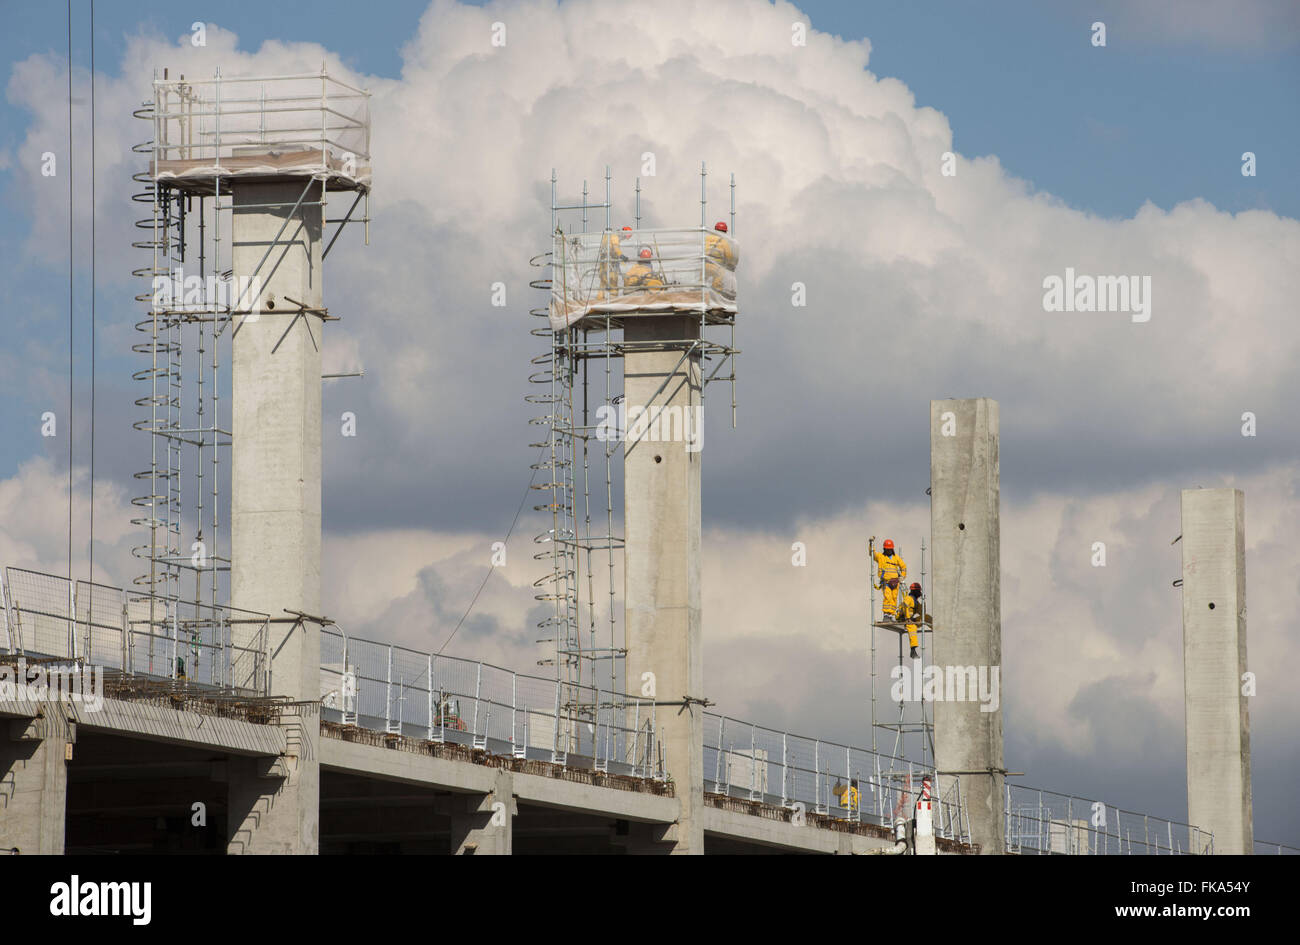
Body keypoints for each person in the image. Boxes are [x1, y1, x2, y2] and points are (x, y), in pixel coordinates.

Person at [874, 539, 907, 622]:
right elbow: (873, 554)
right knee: (887, 598)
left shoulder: (896, 558)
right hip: (886, 582)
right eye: (887, 549)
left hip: (895, 582)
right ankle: (886, 615)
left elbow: (903, 567)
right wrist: (871, 544)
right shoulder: (881, 557)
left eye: (890, 549)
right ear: (884, 549)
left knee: (894, 598)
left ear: (892, 549)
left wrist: (902, 577)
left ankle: (891, 615)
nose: (888, 551)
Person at [704, 221, 738, 297]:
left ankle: (698, 293)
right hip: (717, 267)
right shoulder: (724, 242)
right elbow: (729, 256)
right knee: (717, 283)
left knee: (701, 280)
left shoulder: (707, 238)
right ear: (725, 232)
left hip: (705, 264)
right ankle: (715, 296)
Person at [597, 227, 629, 298]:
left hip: (603, 261)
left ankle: (599, 299)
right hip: (610, 262)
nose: (623, 239)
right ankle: (613, 299)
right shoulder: (615, 237)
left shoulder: (607, 236)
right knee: (613, 280)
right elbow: (615, 248)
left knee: (603, 281)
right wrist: (621, 256)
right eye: (625, 237)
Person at [896, 582, 925, 658]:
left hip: (910, 619)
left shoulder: (915, 601)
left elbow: (922, 613)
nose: (920, 593)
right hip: (903, 619)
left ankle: (937, 629)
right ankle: (913, 651)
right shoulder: (908, 598)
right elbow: (905, 606)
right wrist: (908, 618)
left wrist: (923, 602)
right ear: (915, 591)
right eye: (919, 591)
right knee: (912, 628)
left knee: (927, 617)